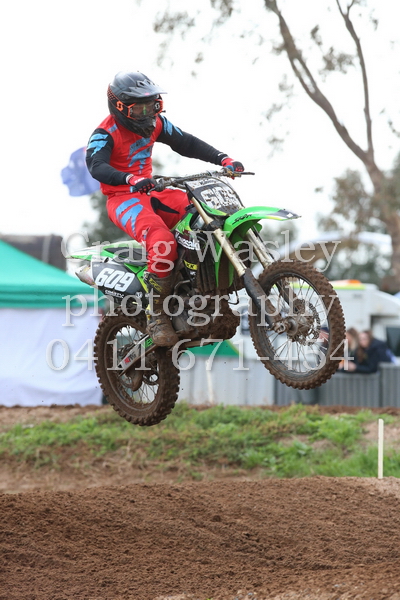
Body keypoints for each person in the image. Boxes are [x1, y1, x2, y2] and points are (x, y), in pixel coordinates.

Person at [86, 71, 245, 346]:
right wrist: (130, 179)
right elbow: (96, 165)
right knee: (162, 241)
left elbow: (186, 142)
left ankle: (203, 291)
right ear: (120, 107)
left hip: (152, 190)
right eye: (140, 108)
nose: (148, 114)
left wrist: (223, 158)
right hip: (123, 197)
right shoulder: (104, 133)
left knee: (207, 214)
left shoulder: (156, 123)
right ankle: (156, 313)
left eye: (152, 106)